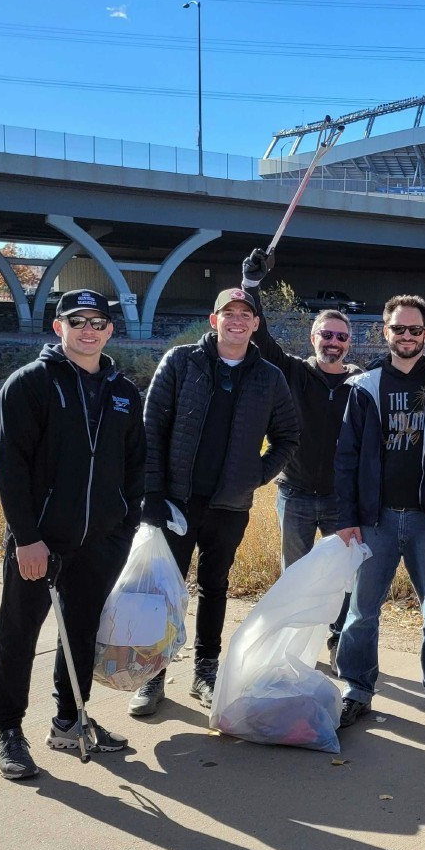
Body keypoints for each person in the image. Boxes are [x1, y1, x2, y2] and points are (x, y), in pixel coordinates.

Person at [0, 289, 146, 779]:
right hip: (41, 541)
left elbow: (136, 464)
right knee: (19, 633)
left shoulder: (123, 391)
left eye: (98, 321)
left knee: (79, 633)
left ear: (110, 330)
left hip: (100, 541)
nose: (89, 330)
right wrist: (27, 537)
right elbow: (8, 469)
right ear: (59, 328)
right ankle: (9, 731)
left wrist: (125, 525)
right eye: (77, 321)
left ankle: (69, 721)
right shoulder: (30, 384)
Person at [129, 286, 300, 716]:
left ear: (256, 325)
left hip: (229, 505)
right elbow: (151, 430)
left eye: (247, 314)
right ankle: (153, 677)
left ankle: (205, 672)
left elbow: (288, 437)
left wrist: (256, 475)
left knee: (215, 586)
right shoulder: (181, 362)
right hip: (176, 502)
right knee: (162, 592)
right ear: (214, 319)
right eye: (229, 313)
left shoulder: (269, 377)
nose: (237, 321)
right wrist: (151, 493)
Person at [334, 294, 425, 731]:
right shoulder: (365, 385)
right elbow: (346, 456)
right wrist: (348, 516)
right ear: (385, 332)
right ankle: (356, 689)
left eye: (415, 330)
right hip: (375, 520)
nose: (407, 336)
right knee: (361, 612)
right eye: (398, 329)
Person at [240, 250, 362, 662]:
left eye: (341, 337)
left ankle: (337, 640)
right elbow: (259, 337)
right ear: (314, 338)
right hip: (294, 494)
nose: (333, 342)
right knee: (296, 575)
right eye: (326, 335)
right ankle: (293, 641)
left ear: (350, 343)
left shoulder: (361, 385)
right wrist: (252, 286)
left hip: (340, 501)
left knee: (342, 578)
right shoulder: (291, 371)